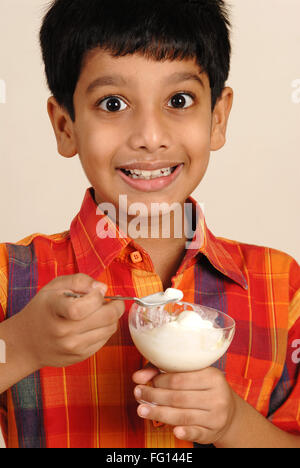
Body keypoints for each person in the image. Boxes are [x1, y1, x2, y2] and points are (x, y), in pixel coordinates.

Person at [0, 0, 299, 449]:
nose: (150, 135)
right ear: (66, 126)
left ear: (217, 118)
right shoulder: (11, 279)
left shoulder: (280, 287)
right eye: (113, 103)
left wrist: (234, 424)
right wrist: (20, 345)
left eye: (179, 100)